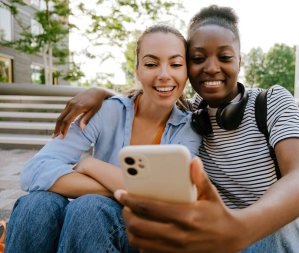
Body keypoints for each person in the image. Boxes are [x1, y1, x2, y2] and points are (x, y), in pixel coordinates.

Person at [52, 5, 299, 252]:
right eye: (199, 58)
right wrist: (103, 94)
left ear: (240, 60)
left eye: (224, 57)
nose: (212, 68)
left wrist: (239, 228)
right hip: (216, 237)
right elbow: (150, 95)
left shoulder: (273, 100)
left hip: (271, 234)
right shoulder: (190, 113)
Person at [4, 25, 201, 253]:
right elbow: (34, 171)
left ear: (187, 72)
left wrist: (90, 165)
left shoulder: (189, 127)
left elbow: (170, 197)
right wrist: (132, 190)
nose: (164, 74)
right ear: (137, 70)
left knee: (90, 206)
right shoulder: (108, 111)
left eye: (176, 64)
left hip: (145, 236)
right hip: (93, 229)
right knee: (36, 204)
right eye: (151, 64)